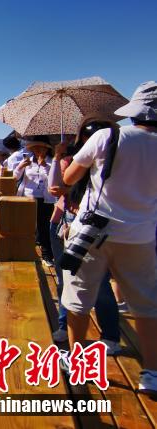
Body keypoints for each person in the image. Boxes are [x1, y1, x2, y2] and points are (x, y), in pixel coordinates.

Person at [60, 81, 157, 394]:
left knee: (78, 298)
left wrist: (68, 155)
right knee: (146, 306)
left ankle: (78, 361)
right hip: (141, 236)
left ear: (134, 111)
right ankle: (151, 373)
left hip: (93, 233)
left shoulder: (108, 135)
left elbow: (69, 177)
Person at [47, 116, 121, 353]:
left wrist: (59, 158)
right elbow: (57, 188)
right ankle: (108, 336)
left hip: (80, 225)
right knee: (96, 283)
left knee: (72, 281)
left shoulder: (78, 162)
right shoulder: (115, 162)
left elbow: (57, 187)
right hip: (97, 225)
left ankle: (70, 333)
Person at [14, 135, 56, 265]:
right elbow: (15, 177)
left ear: (46, 149)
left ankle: (46, 255)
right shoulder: (27, 161)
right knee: (27, 226)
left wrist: (45, 167)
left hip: (46, 199)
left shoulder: (52, 162)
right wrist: (20, 167)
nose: (38, 150)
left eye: (41, 147)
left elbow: (54, 180)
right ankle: (24, 251)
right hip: (28, 197)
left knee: (44, 228)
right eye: (35, 147)